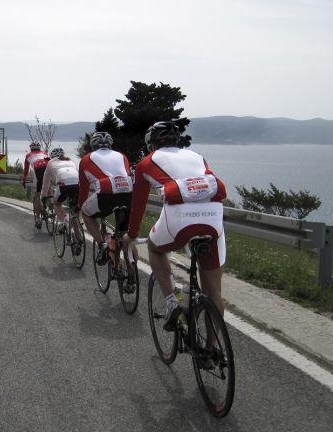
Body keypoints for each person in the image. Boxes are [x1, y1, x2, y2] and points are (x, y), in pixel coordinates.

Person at [123, 120, 227, 331]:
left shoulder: (146, 163)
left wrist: (131, 234)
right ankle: (211, 352)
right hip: (213, 221)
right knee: (214, 292)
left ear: (151, 144)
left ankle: (171, 301)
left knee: (155, 248)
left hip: (178, 222)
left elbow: (138, 205)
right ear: (177, 141)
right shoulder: (198, 157)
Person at [78, 132, 133, 265]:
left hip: (106, 191)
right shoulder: (122, 156)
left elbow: (84, 188)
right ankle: (132, 272)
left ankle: (102, 244)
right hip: (128, 191)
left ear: (93, 145)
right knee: (125, 235)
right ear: (110, 144)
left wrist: (80, 205)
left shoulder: (86, 158)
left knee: (86, 213)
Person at [41, 147, 79, 235]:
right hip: (77, 184)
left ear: (52, 156)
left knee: (56, 204)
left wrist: (43, 196)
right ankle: (78, 237)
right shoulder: (71, 161)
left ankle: (64, 222)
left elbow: (46, 183)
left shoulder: (50, 162)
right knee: (75, 211)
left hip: (64, 185)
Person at [22, 141, 48, 228]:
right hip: (49, 171)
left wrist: (24, 180)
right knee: (48, 188)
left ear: (31, 149)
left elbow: (26, 171)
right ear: (39, 148)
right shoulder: (45, 153)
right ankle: (50, 204)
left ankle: (38, 219)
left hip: (38, 172)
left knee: (37, 195)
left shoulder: (28, 156)